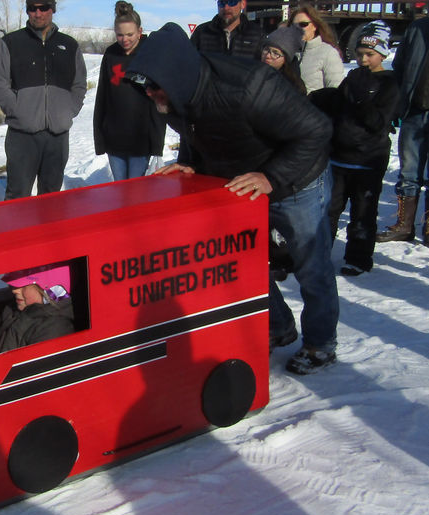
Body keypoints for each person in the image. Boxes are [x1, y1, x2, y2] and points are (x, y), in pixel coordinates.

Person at [127, 22, 338, 375]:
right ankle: (278, 326)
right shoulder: (176, 96)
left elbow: (317, 130)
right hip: (244, 182)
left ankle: (321, 343)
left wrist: (272, 177)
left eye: (153, 85)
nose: (148, 93)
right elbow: (199, 129)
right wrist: (190, 163)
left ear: (176, 76)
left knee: (310, 267)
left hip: (298, 180)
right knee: (245, 262)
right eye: (143, 85)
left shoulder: (249, 86)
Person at [312, 21, 399, 276]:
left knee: (363, 213)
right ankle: (319, 254)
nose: (363, 59)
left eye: (369, 54)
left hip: (368, 160)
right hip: (339, 158)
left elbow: (378, 122)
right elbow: (337, 105)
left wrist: (362, 98)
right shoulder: (353, 78)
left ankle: (358, 258)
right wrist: (317, 99)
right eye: (360, 54)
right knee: (328, 211)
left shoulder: (390, 84)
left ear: (382, 54)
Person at [0, 0, 87, 199]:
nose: (38, 13)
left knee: (51, 197)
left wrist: (68, 111)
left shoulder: (69, 45)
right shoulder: (11, 42)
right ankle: (16, 231)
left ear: (53, 9)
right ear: (27, 10)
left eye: (44, 7)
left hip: (57, 136)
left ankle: (49, 231)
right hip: (22, 135)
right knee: (17, 195)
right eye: (33, 8)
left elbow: (79, 84)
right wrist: (17, 110)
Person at [93, 1, 166, 181]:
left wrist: (157, 145)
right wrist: (100, 137)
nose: (125, 39)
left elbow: (160, 102)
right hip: (114, 139)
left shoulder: (150, 54)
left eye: (129, 34)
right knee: (119, 189)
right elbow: (102, 96)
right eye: (119, 35)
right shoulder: (111, 54)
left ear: (140, 32)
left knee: (135, 192)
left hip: (141, 139)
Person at [376, 14, 429, 246]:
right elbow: (399, 67)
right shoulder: (417, 28)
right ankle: (404, 226)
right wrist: (396, 104)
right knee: (409, 173)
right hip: (415, 110)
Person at [260, 25, 306, 282]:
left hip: (281, 157)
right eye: (267, 50)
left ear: (286, 59)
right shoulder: (254, 76)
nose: (268, 56)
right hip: (259, 153)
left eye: (276, 53)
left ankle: (281, 258)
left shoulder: (292, 86)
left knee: (280, 216)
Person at [0, 270, 75, 353]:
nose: (14, 290)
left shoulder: (55, 328)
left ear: (49, 290)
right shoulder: (13, 310)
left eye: (24, 286)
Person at [289, 4, 344, 94]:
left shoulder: (328, 52)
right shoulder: (288, 53)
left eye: (303, 24)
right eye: (294, 26)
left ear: (314, 26)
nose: (298, 28)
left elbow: (336, 90)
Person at [190, 0, 263, 59]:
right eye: (222, 3)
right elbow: (189, 60)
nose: (226, 8)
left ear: (243, 4)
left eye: (232, 2)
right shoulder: (202, 32)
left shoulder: (256, 34)